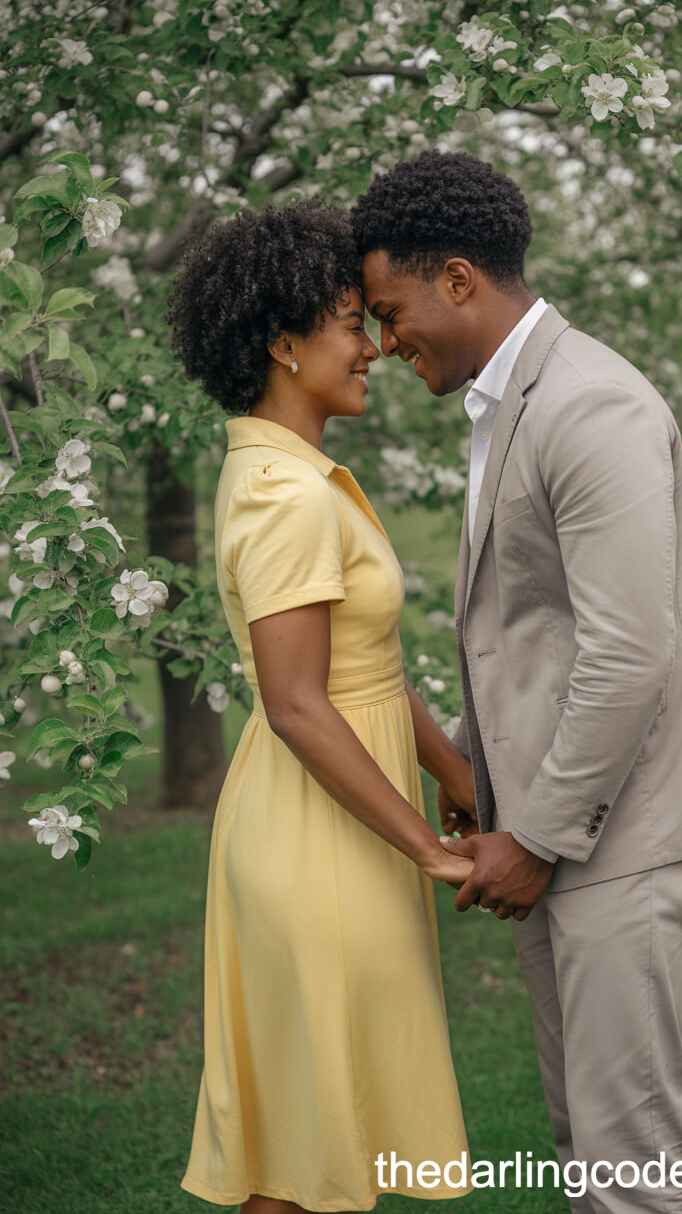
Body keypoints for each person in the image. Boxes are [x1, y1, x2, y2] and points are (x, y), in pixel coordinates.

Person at [352, 149, 682, 1213]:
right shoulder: (509, 403)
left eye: (391, 311)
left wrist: (532, 838)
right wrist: (482, 779)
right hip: (559, 822)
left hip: (616, 832)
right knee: (587, 1146)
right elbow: (535, 632)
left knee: (628, 1163)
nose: (386, 345)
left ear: (459, 281)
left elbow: (629, 654)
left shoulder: (589, 405)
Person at [166, 201, 475, 1213]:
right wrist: (426, 848)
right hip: (317, 843)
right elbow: (299, 705)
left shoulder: (300, 477)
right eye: (351, 320)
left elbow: (367, 671)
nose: (374, 347)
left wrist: (455, 776)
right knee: (304, 1164)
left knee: (331, 1140)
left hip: (345, 824)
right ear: (282, 342)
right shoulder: (288, 496)